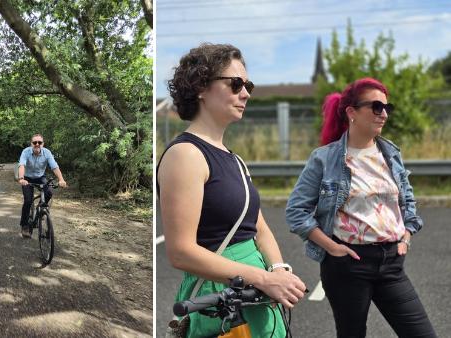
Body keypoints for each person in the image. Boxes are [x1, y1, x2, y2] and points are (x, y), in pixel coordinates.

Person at [157, 43, 306, 338]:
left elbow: (258, 228)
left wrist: (278, 270)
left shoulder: (234, 159)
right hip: (225, 306)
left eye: (247, 85)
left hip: (257, 295)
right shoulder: (185, 155)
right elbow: (181, 252)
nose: (246, 93)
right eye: (236, 83)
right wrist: (263, 278)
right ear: (201, 87)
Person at [285, 78, 436, 338]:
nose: (384, 114)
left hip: (392, 263)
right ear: (351, 112)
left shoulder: (390, 154)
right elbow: (296, 212)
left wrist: (407, 236)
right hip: (348, 265)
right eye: (376, 107)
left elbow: (407, 201)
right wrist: (332, 247)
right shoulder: (325, 158)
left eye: (388, 107)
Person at [17, 133, 68, 238]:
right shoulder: (26, 152)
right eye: (34, 142)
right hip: (27, 178)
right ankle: (24, 225)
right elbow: (22, 165)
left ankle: (40, 208)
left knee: (49, 192)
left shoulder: (47, 153)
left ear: (43, 144)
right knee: (28, 200)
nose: (37, 144)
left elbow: (54, 166)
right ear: (31, 143)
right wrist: (21, 178)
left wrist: (61, 179)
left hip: (40, 177)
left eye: (39, 142)